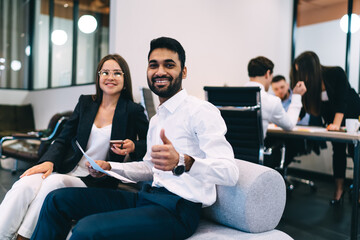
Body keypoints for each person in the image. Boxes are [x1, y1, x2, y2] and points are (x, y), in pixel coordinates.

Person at [30, 37, 239, 240]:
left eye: (169, 65)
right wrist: (109, 168)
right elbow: (149, 169)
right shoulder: (157, 120)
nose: (160, 71)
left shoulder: (200, 111)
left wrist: (183, 161)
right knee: (57, 200)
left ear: (183, 71)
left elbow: (229, 173)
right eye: (153, 65)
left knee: (86, 230)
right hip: (147, 197)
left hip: (178, 209)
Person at [0, 54, 149, 240]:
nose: (110, 77)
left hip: (94, 180)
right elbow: (63, 138)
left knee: (53, 184)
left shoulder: (133, 111)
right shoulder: (86, 103)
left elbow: (148, 145)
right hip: (65, 168)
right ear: (98, 77)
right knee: (24, 184)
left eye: (117, 73)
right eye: (105, 72)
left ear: (125, 79)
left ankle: (24, 237)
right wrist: (48, 161)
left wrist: (134, 146)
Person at [290, 51, 360, 205]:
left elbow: (342, 101)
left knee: (355, 151)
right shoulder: (308, 83)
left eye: (302, 71)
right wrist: (293, 120)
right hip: (332, 119)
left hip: (351, 113)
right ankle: (339, 190)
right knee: (338, 151)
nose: (301, 75)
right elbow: (302, 107)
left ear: (312, 68)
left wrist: (337, 124)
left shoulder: (336, 73)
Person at [244, 56, 307, 136]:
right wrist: (297, 96)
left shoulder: (234, 96)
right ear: (267, 74)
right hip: (256, 148)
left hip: (233, 148)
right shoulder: (270, 101)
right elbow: (289, 125)